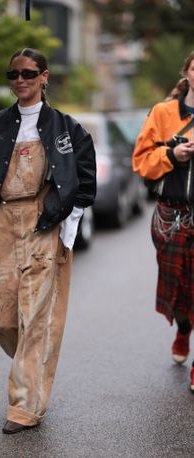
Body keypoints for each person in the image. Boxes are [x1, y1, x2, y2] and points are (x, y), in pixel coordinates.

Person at [0, 48, 96, 434]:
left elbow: (85, 181)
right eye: (13, 74)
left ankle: (25, 406)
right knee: (4, 321)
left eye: (27, 73)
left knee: (37, 318)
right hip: (2, 222)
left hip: (44, 222)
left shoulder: (67, 128)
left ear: (44, 76)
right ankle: (33, 366)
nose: (19, 80)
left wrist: (65, 218)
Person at [133, 50, 194, 392]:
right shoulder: (162, 113)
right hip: (171, 214)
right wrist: (172, 154)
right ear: (186, 72)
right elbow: (141, 161)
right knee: (178, 287)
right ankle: (184, 328)